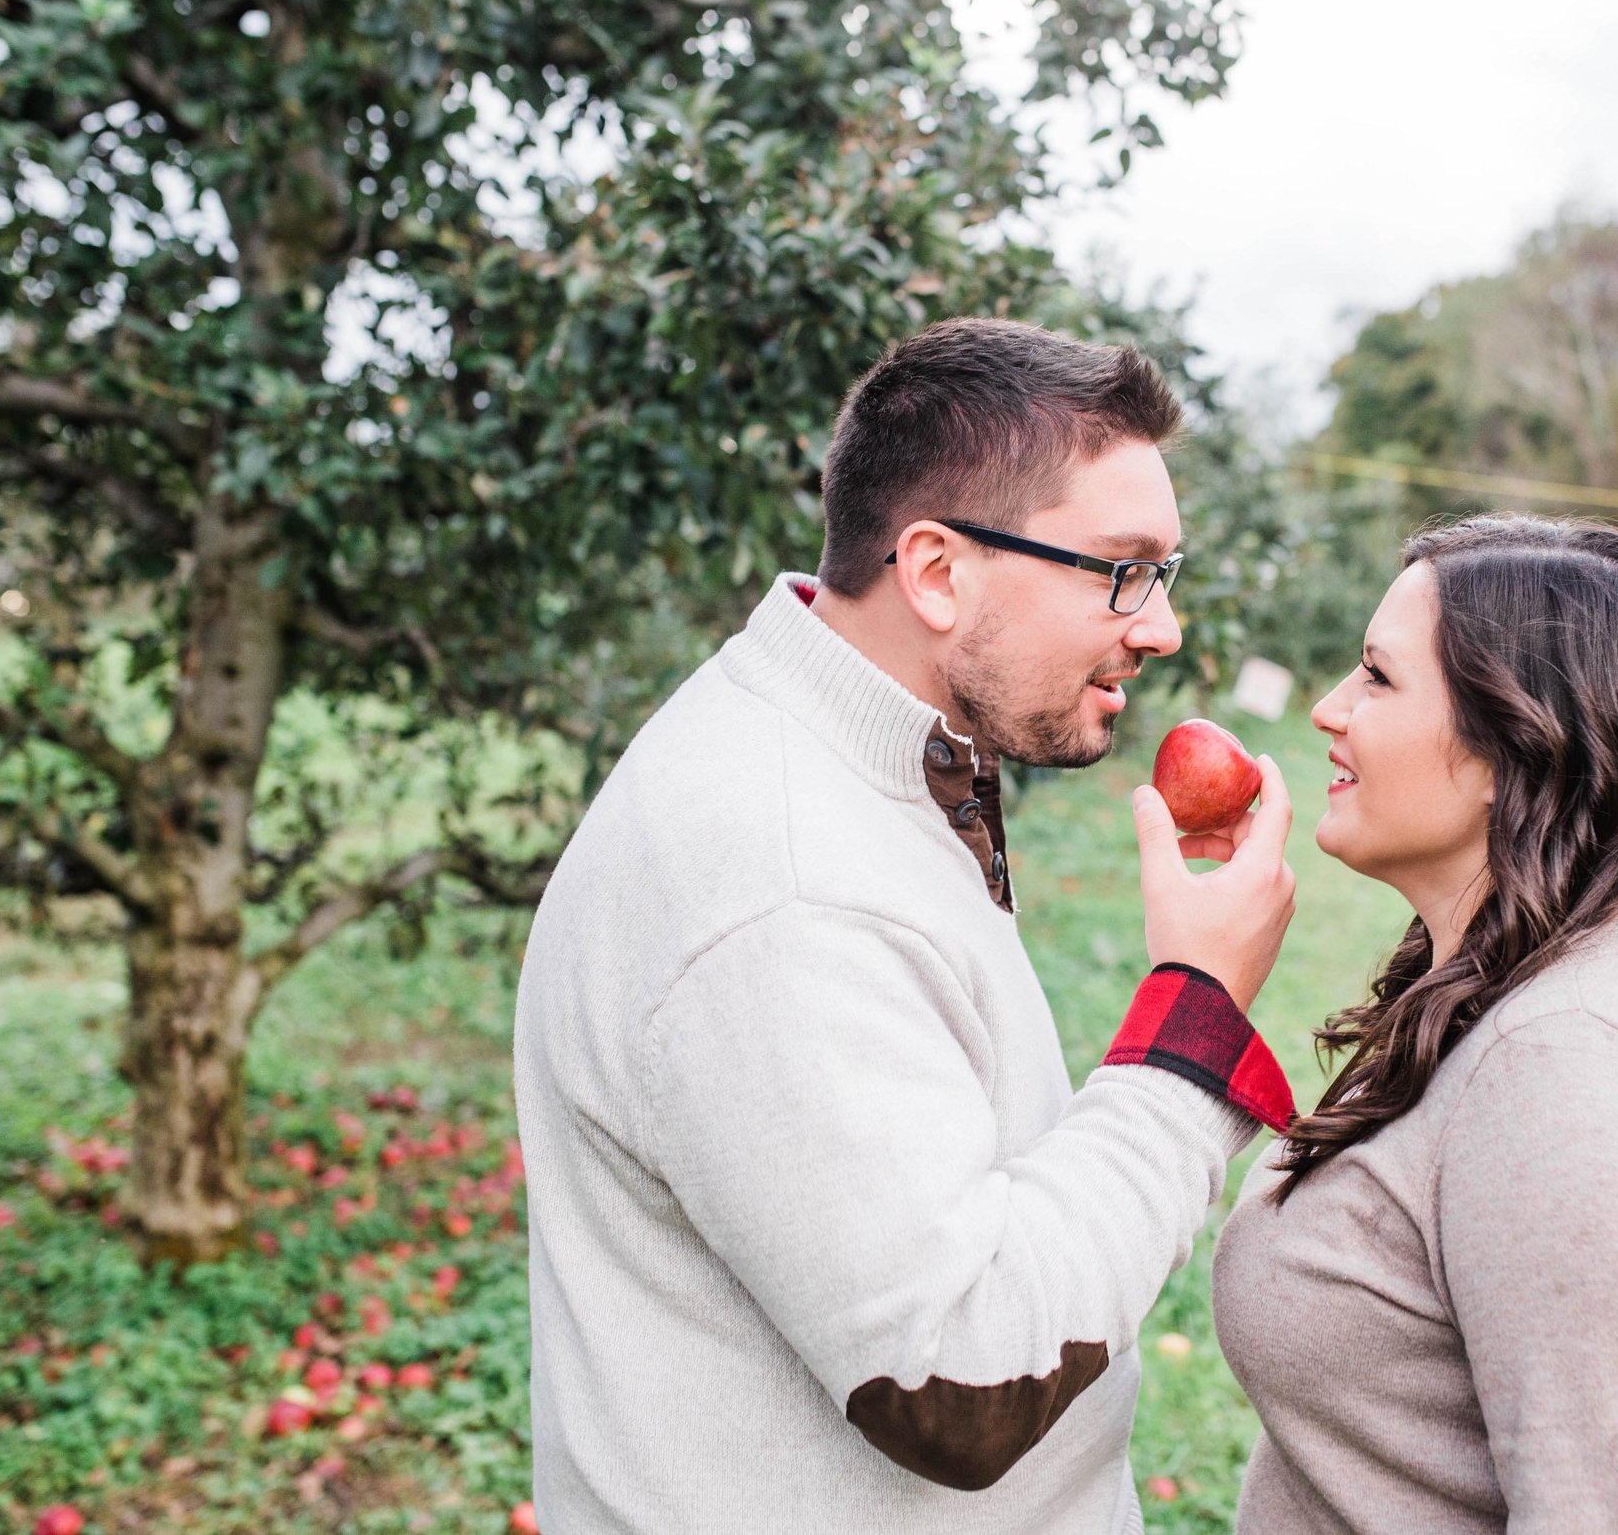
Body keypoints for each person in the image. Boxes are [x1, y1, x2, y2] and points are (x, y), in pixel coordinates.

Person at [514, 317, 1300, 1533]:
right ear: (936, 570)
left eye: (1164, 574)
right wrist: (1193, 1026)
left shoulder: (859, 759)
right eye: (1121, 570)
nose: (1160, 628)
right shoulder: (782, 883)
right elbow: (961, 1375)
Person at [1212, 516, 1618, 1534]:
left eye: (1376, 677)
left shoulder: (1576, 1083)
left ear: (1513, 742)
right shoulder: (1499, 985)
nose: (1327, 709)